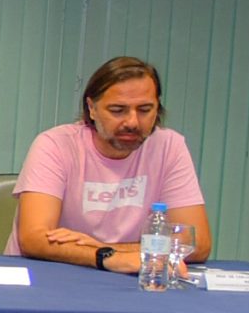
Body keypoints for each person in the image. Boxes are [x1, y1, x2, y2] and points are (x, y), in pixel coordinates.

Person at [11, 56, 212, 273]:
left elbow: (197, 244)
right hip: (52, 274)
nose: (132, 122)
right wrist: (110, 257)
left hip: (132, 276)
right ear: (92, 108)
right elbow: (33, 238)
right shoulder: (55, 144)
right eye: (118, 110)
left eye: (145, 110)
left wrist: (105, 251)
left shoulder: (169, 146)